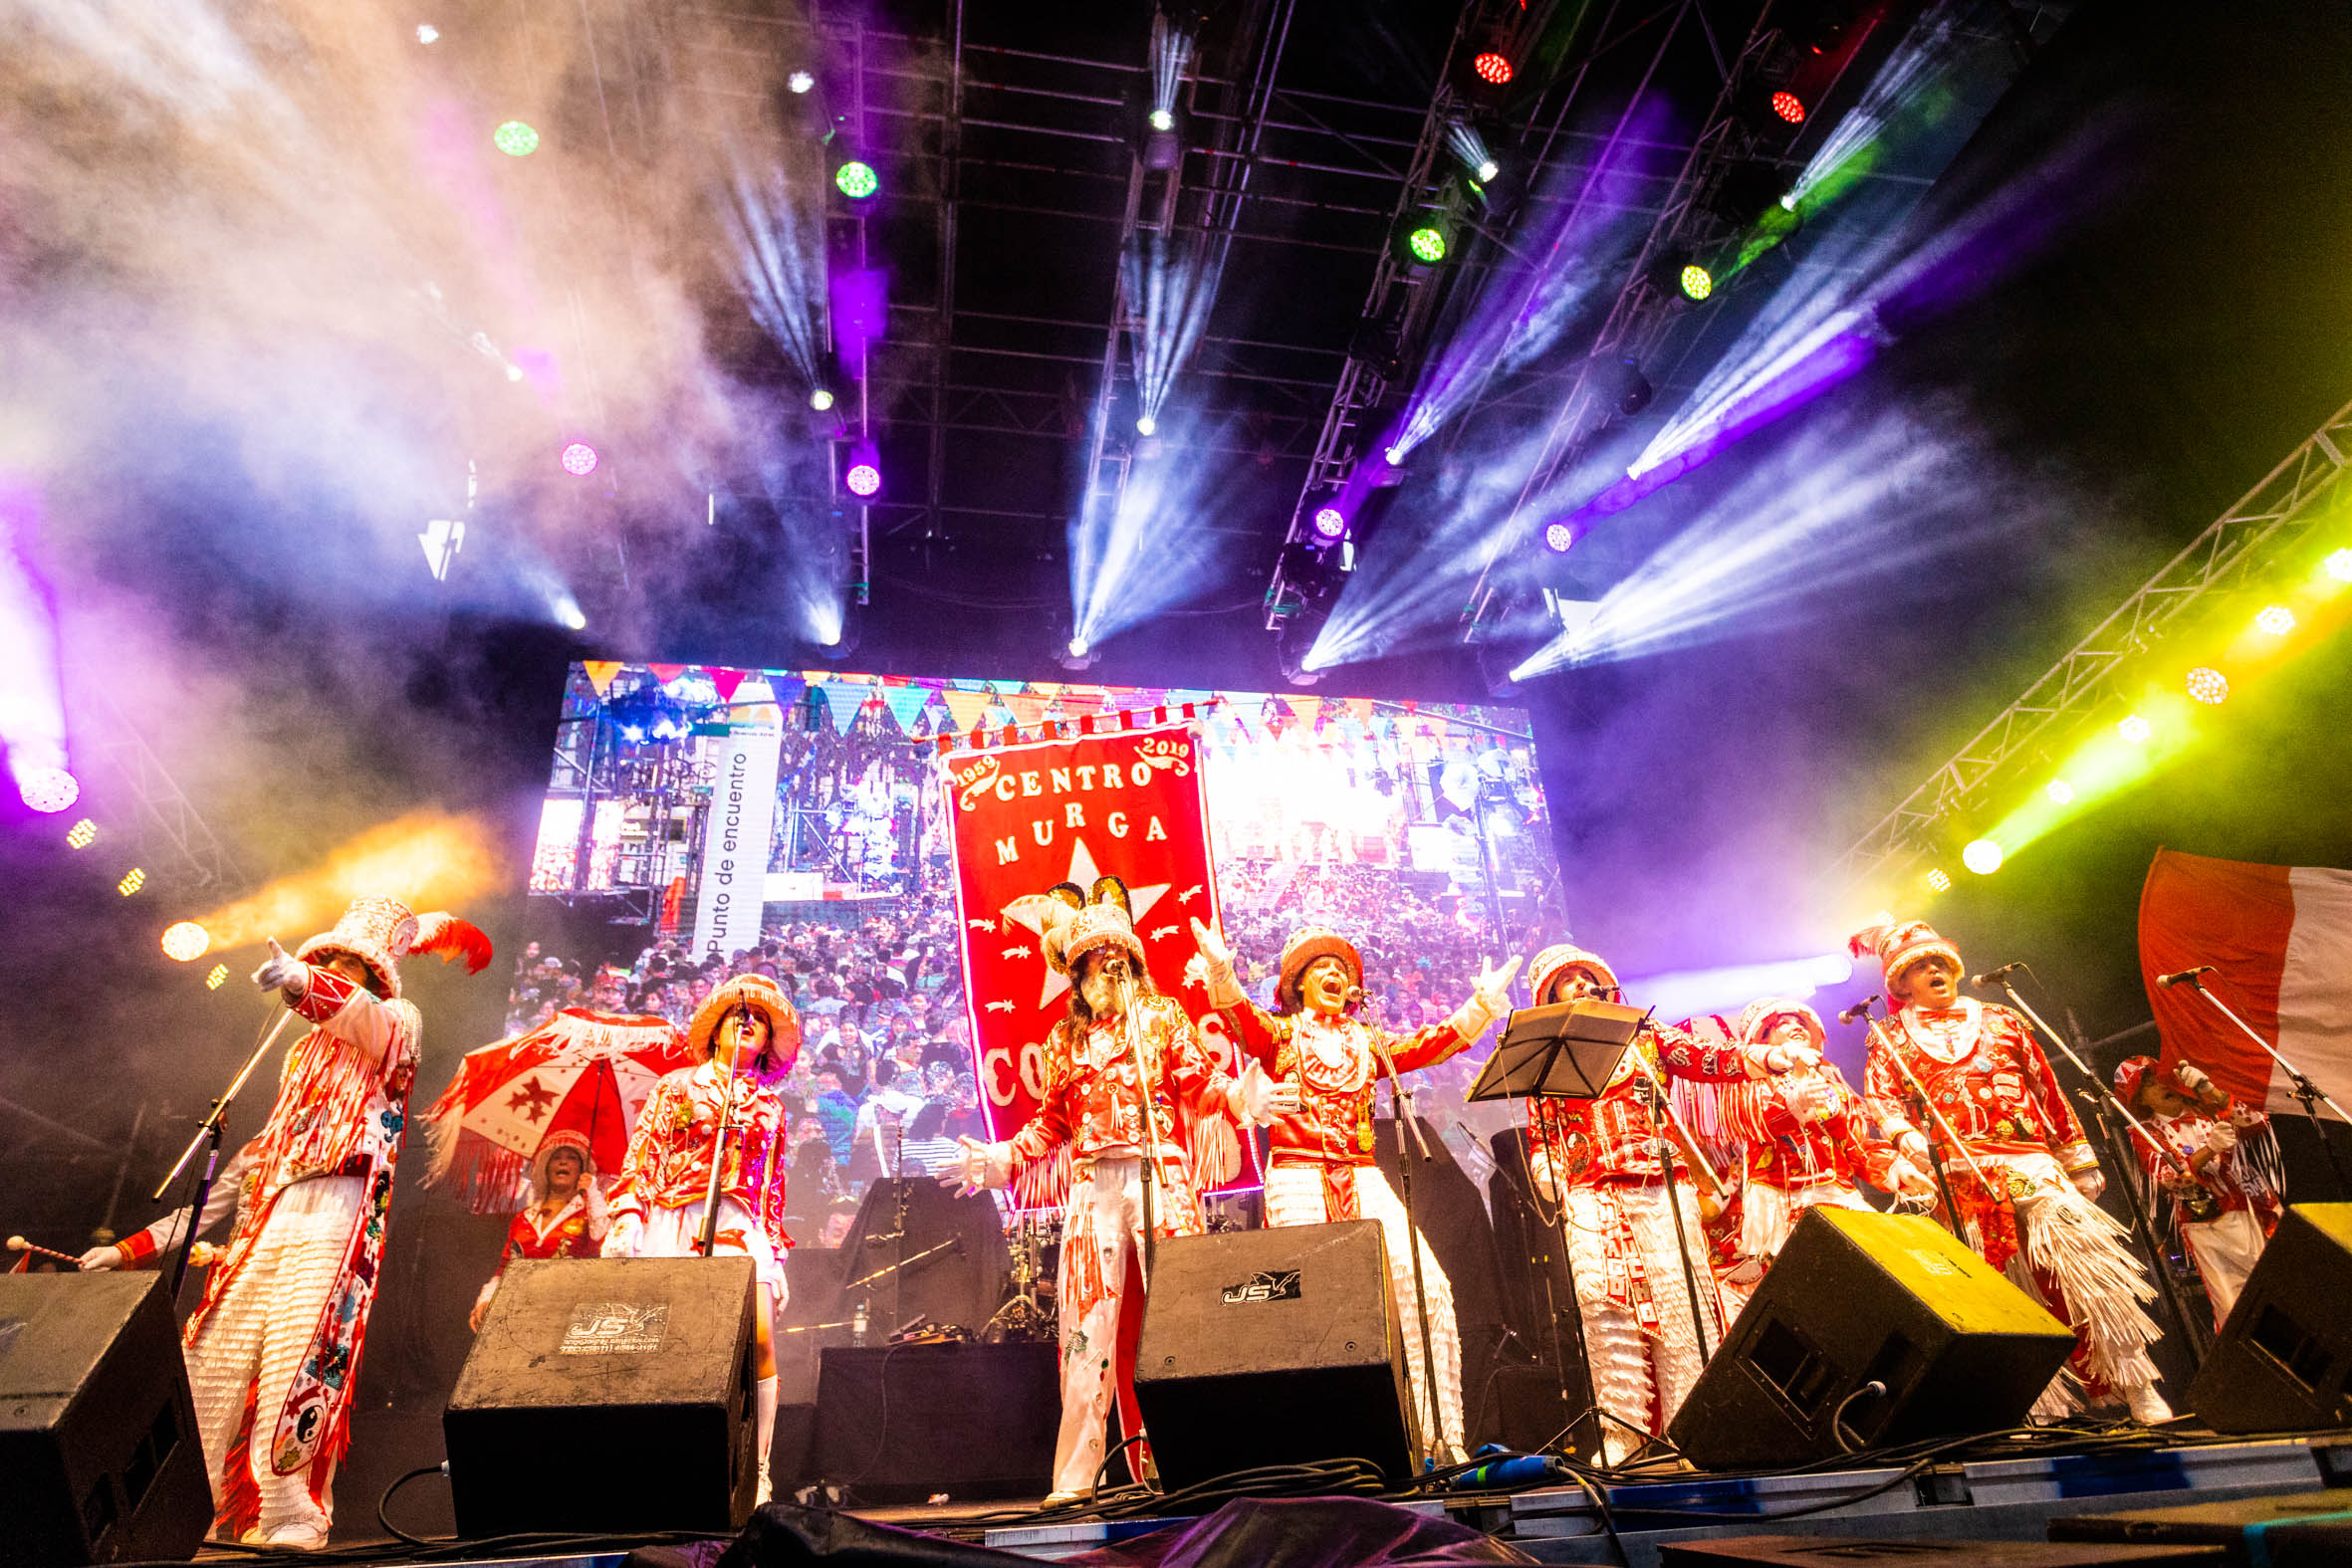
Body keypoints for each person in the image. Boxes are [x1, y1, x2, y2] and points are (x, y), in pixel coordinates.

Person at [949, 881, 1290, 1502]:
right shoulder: (1063, 1040)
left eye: (1116, 953)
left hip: (1161, 1174)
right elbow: (1050, 1123)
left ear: (1131, 961)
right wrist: (1002, 1157)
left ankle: (1197, 1465)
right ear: (1075, 971)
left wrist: (1243, 1098)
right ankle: (1077, 1480)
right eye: (1093, 955)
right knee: (1085, 1333)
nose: (1107, 962)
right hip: (1090, 1188)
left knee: (1182, 1320)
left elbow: (1199, 1082)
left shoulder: (1159, 1018)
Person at [176, 898, 488, 1547]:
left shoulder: (396, 1022)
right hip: (275, 1206)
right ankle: (187, 1513)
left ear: (375, 975)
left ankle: (291, 1515)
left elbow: (361, 1019)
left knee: (302, 1354)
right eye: (331, 961)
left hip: (338, 1204)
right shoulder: (300, 1054)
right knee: (210, 1358)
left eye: (353, 963)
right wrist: (147, 1240)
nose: (339, 971)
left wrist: (299, 980)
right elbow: (256, 1156)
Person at [1191, 919, 1517, 1462]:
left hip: (1363, 1176)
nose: (1334, 974)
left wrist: (1481, 1004)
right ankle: (1318, 1451)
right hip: (1298, 1179)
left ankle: (1441, 1438)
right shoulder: (1281, 1035)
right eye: (1321, 968)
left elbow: (1427, 1046)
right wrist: (1223, 971)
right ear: (1298, 984)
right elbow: (1240, 1021)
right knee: (1309, 1311)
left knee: (1429, 1292)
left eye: (1341, 969)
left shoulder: (1366, 1041)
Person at [1853, 918, 2170, 1423]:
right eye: (1918, 967)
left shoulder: (2003, 1018)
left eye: (1938, 961)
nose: (1933, 970)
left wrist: (2077, 1157)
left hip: (2030, 1161)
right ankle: (2038, 1408)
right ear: (1901, 983)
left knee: (2086, 1273)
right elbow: (1882, 1100)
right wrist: (1902, 1135)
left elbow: (2048, 1090)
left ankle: (2137, 1385)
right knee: (2003, 1292)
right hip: (1959, 1175)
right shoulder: (1888, 1035)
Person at [1517, 943, 1781, 1464]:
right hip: (1591, 1191)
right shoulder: (1548, 1052)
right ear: (1549, 996)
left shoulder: (1645, 1036)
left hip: (1662, 1184)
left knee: (1682, 1306)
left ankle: (1688, 1430)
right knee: (1601, 1302)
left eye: (1587, 974)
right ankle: (1623, 1433)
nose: (1581, 984)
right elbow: (1540, 1134)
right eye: (1567, 980)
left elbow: (1708, 1058)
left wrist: (1767, 1055)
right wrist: (1552, 1175)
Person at [602, 973, 801, 1502]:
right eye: (740, 1015)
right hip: (676, 1217)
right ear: (715, 1031)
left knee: (758, 1345)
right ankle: (661, 1464)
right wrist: (630, 1216)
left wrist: (776, 1257)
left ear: (767, 1040)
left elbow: (772, 1188)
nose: (747, 1021)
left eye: (758, 1019)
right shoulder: (675, 1088)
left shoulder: (772, 1108)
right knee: (668, 1343)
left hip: (743, 1226)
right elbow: (644, 1155)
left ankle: (756, 1468)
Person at [1715, 999, 1933, 1292]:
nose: (1795, 1026)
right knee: (1804, 1290)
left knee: (1864, 1286)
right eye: (1783, 1024)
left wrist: (1898, 1170)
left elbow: (1856, 1145)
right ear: (1763, 1039)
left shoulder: (1833, 1082)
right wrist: (1795, 1100)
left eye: (1801, 1022)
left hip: (1839, 1196)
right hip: (1782, 1201)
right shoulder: (1750, 1084)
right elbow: (1752, 1124)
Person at [2114, 1055, 2282, 1327]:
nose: (2160, 1084)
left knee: (2285, 1286)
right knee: (2235, 1308)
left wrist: (2209, 1088)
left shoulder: (2204, 1103)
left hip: (2257, 1208)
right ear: (2140, 1099)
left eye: (2159, 1076)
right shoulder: (2144, 1134)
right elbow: (2170, 1178)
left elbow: (2257, 1122)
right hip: (2208, 1226)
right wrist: (2210, 1149)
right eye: (2149, 1084)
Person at [468, 1131, 608, 1332]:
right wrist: (485, 1300)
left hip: (569, 1317)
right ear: (545, 1167)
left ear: (582, 1169)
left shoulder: (589, 1212)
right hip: (521, 1315)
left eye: (572, 1158)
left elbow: (601, 1239)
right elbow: (504, 1269)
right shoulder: (524, 1218)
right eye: (556, 1158)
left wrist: (592, 1191)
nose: (563, 1163)